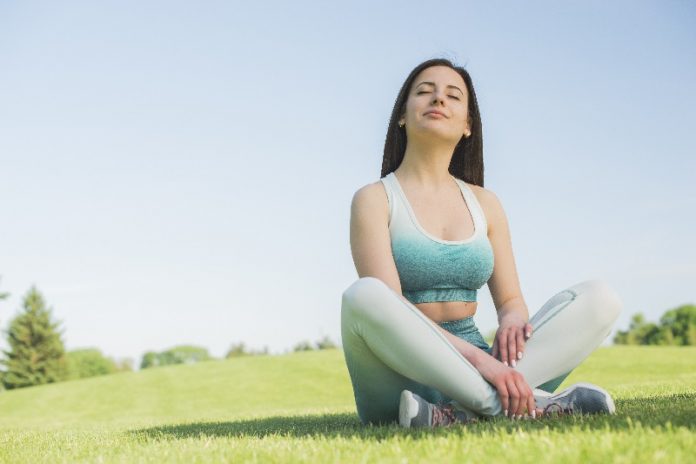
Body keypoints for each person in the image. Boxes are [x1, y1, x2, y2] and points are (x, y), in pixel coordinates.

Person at [340, 57, 623, 428]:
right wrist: (483, 363)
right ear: (403, 116)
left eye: (453, 96)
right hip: (400, 380)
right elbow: (393, 311)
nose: (438, 99)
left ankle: (457, 414)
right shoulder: (374, 199)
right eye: (425, 92)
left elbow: (510, 301)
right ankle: (520, 403)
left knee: (601, 299)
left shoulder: (486, 203)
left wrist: (512, 321)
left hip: (479, 364)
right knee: (363, 296)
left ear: (468, 125)